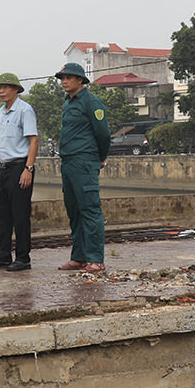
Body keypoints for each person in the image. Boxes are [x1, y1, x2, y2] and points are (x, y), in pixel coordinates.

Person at [54, 61, 111, 272]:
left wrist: (100, 157)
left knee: (90, 209)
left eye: (69, 77)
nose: (64, 81)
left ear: (80, 80)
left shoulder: (91, 102)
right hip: (68, 162)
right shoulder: (68, 103)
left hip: (85, 161)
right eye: (62, 78)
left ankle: (96, 259)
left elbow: (103, 134)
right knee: (74, 210)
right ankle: (78, 257)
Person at [0, 73, 37, 272]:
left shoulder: (24, 110)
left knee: (20, 215)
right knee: (1, 214)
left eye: (5, 87)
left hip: (20, 167)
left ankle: (23, 258)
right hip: (4, 168)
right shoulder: (1, 112)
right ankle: (3, 256)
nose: (1, 91)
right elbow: (3, 142)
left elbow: (33, 140)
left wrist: (28, 169)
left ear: (15, 89)